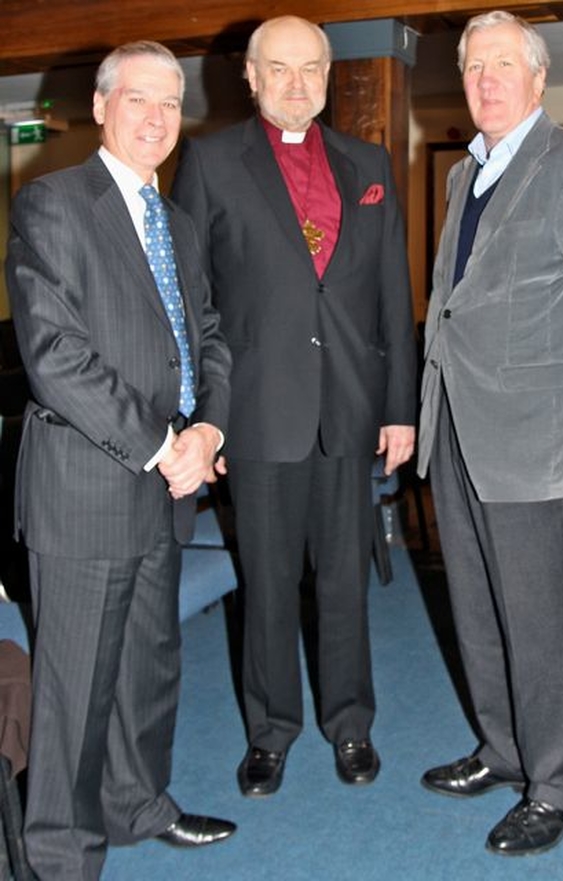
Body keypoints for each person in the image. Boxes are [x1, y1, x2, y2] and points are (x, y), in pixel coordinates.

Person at [5, 41, 235, 880]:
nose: (156, 117)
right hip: (87, 487)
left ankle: (138, 805)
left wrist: (209, 430)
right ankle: (61, 855)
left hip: (170, 485)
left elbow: (206, 338)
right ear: (101, 106)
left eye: (171, 102)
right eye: (138, 98)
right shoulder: (54, 203)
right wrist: (161, 443)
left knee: (150, 664)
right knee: (73, 692)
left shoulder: (176, 221)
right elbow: (54, 354)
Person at [171, 15, 416, 797]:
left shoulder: (367, 161)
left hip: (349, 407)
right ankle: (269, 731)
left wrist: (400, 407)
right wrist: (204, 418)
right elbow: (191, 306)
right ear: (249, 76)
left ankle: (351, 725)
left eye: (312, 68)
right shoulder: (208, 163)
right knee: (268, 583)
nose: (299, 83)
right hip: (257, 413)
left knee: (344, 578)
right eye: (280, 69)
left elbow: (389, 295)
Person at [417, 11, 563, 858]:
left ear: (538, 78)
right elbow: (453, 302)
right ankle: (505, 749)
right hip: (458, 431)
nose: (485, 79)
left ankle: (561, 784)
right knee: (476, 610)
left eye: (502, 64)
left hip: (539, 436)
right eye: (473, 65)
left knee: (541, 622)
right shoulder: (459, 176)